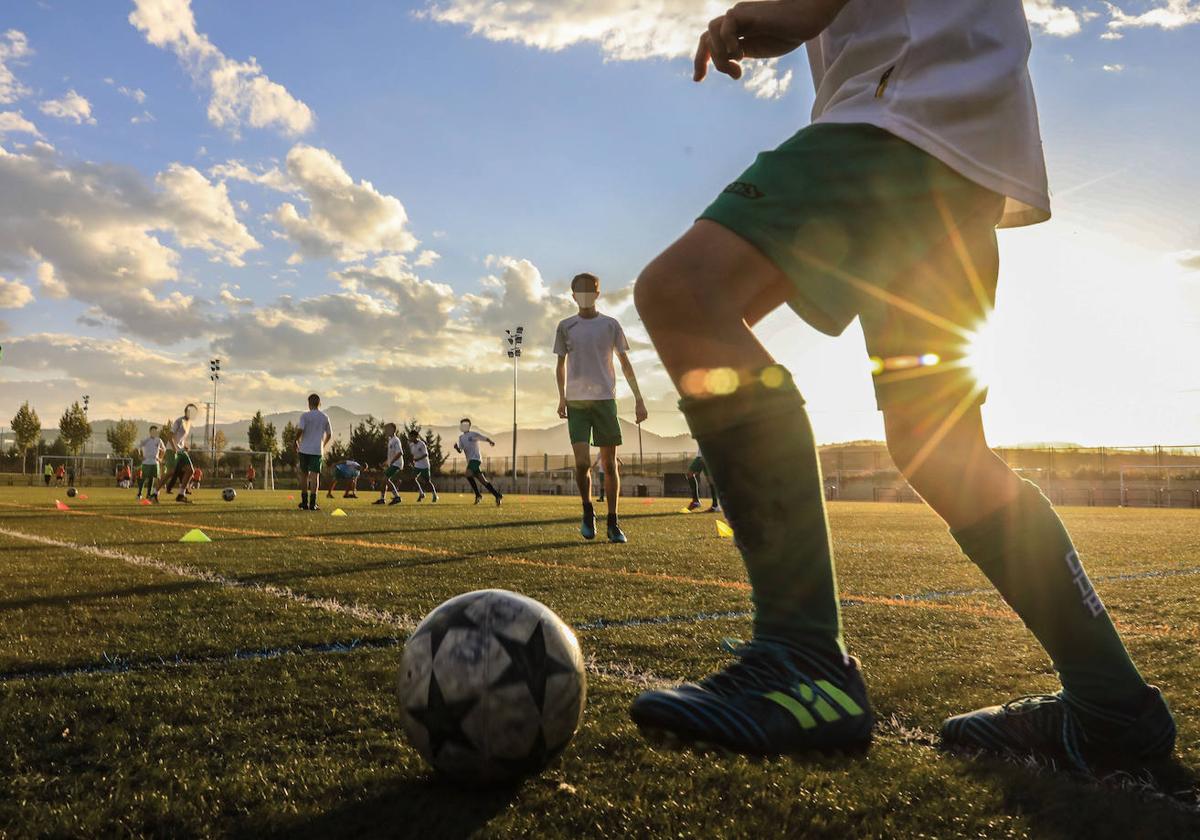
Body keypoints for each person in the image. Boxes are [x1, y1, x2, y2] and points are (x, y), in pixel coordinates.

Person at [628, 0, 1174, 768]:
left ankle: (804, 659)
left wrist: (785, 11)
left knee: (686, 295)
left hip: (898, 110)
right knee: (939, 447)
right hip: (963, 137)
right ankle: (1113, 704)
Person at [554, 272, 647, 543]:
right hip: (577, 403)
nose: (584, 295)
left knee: (608, 464)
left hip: (606, 401)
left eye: (589, 290)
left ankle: (613, 522)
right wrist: (561, 397)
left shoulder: (611, 325)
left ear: (597, 294)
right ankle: (587, 511)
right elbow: (559, 365)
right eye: (579, 291)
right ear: (573, 296)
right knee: (582, 463)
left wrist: (639, 398)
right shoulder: (565, 326)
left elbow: (624, 362)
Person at [296, 393, 333, 511]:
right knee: (315, 476)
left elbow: (300, 430)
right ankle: (313, 503)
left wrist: (295, 441)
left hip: (304, 449)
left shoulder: (305, 416)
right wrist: (323, 444)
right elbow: (330, 434)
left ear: (309, 403)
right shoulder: (324, 417)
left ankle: (304, 502)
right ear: (319, 403)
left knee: (304, 475)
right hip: (317, 450)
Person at [454, 419, 501, 506]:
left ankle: (478, 495)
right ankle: (497, 495)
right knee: (483, 481)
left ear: (468, 426)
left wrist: (490, 441)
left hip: (476, 459)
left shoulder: (473, 434)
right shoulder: (461, 438)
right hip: (470, 461)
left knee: (468, 474)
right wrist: (457, 448)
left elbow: (483, 437)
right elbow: (460, 450)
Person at [161, 404, 198, 503]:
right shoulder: (179, 421)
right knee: (170, 472)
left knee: (190, 470)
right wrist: (175, 449)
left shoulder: (189, 423)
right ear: (186, 412)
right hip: (172, 449)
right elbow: (170, 436)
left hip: (181, 450)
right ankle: (154, 493)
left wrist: (184, 445)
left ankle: (181, 495)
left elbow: (180, 438)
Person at [373, 422, 404, 506]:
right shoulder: (390, 440)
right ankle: (382, 499)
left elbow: (400, 453)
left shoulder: (396, 440)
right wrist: (385, 463)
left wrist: (392, 461)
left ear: (393, 430)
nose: (385, 431)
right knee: (384, 481)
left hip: (396, 464)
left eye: (387, 429)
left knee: (385, 479)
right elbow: (391, 456)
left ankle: (397, 497)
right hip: (393, 464)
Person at [407, 430, 439, 503]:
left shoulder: (421, 444)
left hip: (424, 465)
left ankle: (434, 495)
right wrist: (412, 461)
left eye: (411, 436)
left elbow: (425, 455)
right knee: (412, 478)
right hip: (417, 466)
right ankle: (421, 493)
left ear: (415, 436)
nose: (410, 438)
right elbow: (413, 455)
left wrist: (417, 459)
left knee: (427, 482)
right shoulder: (411, 445)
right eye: (409, 436)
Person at [136, 426, 164, 501]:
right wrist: (140, 456)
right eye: (153, 431)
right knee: (143, 478)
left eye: (156, 431)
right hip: (146, 462)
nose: (154, 433)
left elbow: (163, 449)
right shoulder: (146, 440)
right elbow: (138, 447)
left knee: (155, 478)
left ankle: (149, 494)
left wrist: (160, 458)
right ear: (150, 432)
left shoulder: (159, 440)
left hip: (155, 462)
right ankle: (139, 494)